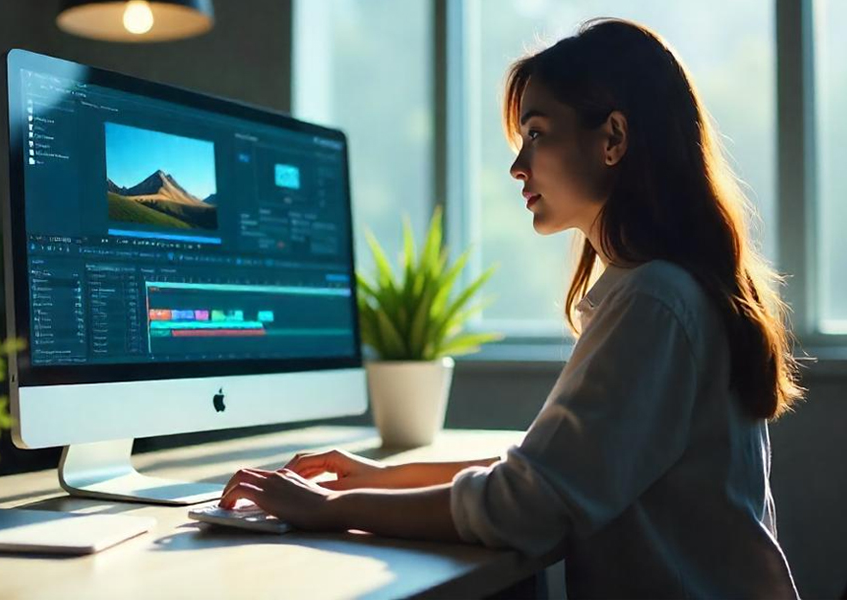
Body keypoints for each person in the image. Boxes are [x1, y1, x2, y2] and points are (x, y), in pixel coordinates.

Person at [218, 18, 803, 598]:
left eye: (538, 133)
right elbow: (551, 467)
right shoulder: (666, 289)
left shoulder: (655, 300)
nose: (518, 165)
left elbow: (529, 504)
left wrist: (330, 508)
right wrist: (382, 477)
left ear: (613, 138)